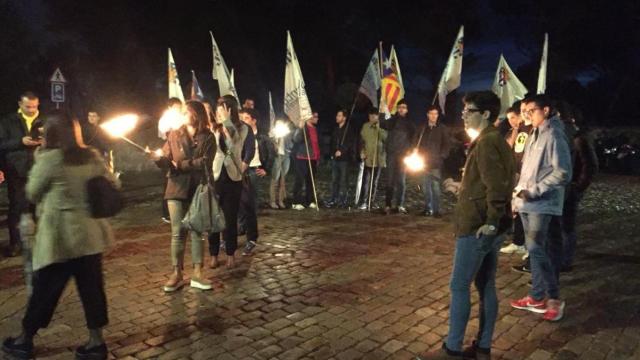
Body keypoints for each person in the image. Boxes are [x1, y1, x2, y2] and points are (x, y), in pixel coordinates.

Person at [1, 112, 117, 360]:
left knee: (44, 291)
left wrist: (39, 156)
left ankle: (24, 340)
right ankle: (96, 342)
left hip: (61, 240)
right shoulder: (91, 155)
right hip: (89, 236)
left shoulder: (51, 159)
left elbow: (32, 192)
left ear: (50, 134)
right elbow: (109, 183)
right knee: (92, 290)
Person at [422, 91, 515, 360]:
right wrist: (462, 187)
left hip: (477, 226)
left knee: (459, 285)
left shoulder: (487, 143)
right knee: (485, 285)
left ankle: (452, 349)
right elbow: (489, 182)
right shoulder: (494, 140)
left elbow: (497, 187)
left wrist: (490, 222)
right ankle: (483, 347)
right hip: (487, 223)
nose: (463, 115)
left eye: (469, 110)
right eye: (463, 110)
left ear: (485, 114)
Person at [510, 94, 572, 322]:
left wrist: (534, 191)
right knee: (533, 249)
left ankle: (554, 298)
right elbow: (526, 170)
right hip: (526, 201)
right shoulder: (534, 133)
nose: (527, 116)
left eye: (531, 111)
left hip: (542, 202)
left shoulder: (554, 134)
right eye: (524, 112)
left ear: (545, 110)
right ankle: (536, 297)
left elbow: (563, 172)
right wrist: (517, 199)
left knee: (536, 248)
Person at [154, 100, 215, 292]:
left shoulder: (208, 137)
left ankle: (198, 274)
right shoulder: (174, 134)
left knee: (197, 230)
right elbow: (166, 159)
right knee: (177, 232)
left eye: (186, 111)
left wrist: (179, 165)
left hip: (198, 188)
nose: (182, 115)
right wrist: (159, 159)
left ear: (196, 115)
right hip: (176, 188)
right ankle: (177, 273)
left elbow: (204, 162)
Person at [208, 95, 253, 268]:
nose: (219, 114)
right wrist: (221, 123)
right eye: (218, 110)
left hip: (233, 176)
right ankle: (213, 253)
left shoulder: (243, 129)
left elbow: (234, 144)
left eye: (222, 110)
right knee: (214, 217)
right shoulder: (213, 128)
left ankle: (230, 253)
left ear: (230, 110)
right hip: (216, 175)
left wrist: (227, 122)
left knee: (230, 217)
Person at [556, 102, 598, 271]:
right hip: (561, 188)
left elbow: (591, 165)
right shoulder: (563, 135)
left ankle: (566, 261)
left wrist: (578, 187)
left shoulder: (578, 138)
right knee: (560, 225)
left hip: (570, 189)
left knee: (567, 225)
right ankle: (560, 257)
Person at [0, 91, 43, 257]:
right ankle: (16, 243)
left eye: (35, 106)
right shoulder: (8, 121)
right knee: (17, 207)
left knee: (39, 207)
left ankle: (40, 241)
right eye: (28, 107)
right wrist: (20, 142)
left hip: (40, 169)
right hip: (16, 171)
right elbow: (1, 144)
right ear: (20, 104)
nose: (32, 110)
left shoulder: (45, 120)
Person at [238, 108, 272, 255]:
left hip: (253, 171)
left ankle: (251, 237)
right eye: (241, 118)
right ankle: (242, 227)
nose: (243, 121)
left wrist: (266, 169)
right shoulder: (239, 135)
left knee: (250, 203)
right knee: (239, 203)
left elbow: (271, 154)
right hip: (240, 171)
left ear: (253, 120)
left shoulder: (262, 137)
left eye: (246, 118)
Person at [500, 102, 532, 255]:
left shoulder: (532, 130)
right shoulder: (514, 131)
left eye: (514, 117)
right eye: (509, 118)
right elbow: (509, 146)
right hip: (514, 172)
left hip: (525, 174)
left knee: (524, 210)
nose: (512, 121)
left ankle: (527, 244)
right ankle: (518, 241)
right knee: (516, 208)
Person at [380, 99, 414, 214]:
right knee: (389, 180)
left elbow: (414, 139)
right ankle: (388, 204)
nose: (401, 109)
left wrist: (411, 151)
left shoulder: (410, 123)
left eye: (404, 107)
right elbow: (383, 124)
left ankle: (400, 204)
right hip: (391, 154)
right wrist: (382, 112)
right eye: (399, 107)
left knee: (401, 181)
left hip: (403, 156)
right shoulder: (392, 120)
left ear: (407, 110)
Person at [417, 105, 450, 217]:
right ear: (427, 115)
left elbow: (446, 144)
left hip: (436, 162)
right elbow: (416, 142)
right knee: (425, 186)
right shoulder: (422, 128)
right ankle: (428, 208)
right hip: (423, 162)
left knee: (435, 186)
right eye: (431, 113)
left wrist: (442, 156)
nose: (433, 116)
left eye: (435, 114)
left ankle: (436, 210)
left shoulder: (442, 128)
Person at [158, 98, 184, 224]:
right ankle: (166, 213)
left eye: (179, 106)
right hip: (170, 153)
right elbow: (164, 135)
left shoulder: (182, 118)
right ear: (170, 107)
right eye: (176, 107)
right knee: (168, 184)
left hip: (180, 154)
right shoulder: (165, 120)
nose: (178, 109)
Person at [357, 108, 387, 210]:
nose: (373, 117)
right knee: (366, 180)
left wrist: (379, 128)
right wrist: (361, 151)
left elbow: (386, 138)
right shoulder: (365, 126)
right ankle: (363, 201)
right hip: (368, 158)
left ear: (378, 116)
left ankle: (372, 201)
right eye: (371, 115)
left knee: (375, 182)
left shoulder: (382, 126)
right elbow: (361, 140)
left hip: (378, 158)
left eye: (375, 115)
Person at [291, 112, 320, 210]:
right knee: (299, 180)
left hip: (313, 158)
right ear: (309, 117)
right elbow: (296, 139)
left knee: (310, 181)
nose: (317, 118)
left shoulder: (315, 129)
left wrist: (318, 156)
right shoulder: (303, 128)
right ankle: (296, 201)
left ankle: (310, 200)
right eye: (315, 116)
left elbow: (317, 144)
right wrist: (300, 128)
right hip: (303, 157)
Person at [326, 109, 353, 208]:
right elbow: (332, 143)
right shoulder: (335, 129)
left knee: (343, 180)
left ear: (344, 118)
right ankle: (333, 199)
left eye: (339, 116)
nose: (337, 117)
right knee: (334, 180)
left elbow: (349, 143)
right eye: (337, 115)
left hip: (344, 160)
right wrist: (332, 153)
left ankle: (343, 200)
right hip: (335, 159)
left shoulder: (348, 129)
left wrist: (342, 151)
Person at [268, 117, 294, 209]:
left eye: (281, 124)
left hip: (286, 156)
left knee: (283, 179)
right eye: (278, 124)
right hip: (277, 156)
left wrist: (285, 138)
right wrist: (276, 140)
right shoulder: (273, 133)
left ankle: (280, 200)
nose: (279, 125)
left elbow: (291, 144)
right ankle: (272, 201)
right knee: (275, 178)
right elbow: (271, 147)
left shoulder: (286, 133)